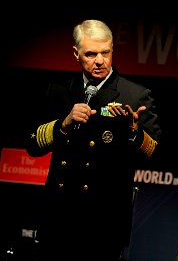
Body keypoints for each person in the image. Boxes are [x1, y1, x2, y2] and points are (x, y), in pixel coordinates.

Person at [25, 19, 162, 261]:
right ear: (76, 54)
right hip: (58, 219)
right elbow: (33, 144)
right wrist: (63, 124)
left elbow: (157, 154)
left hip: (103, 224)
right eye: (91, 54)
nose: (99, 60)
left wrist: (134, 132)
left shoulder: (135, 95)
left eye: (105, 52)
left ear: (112, 50)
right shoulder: (59, 91)